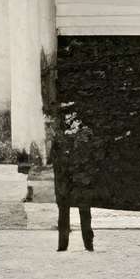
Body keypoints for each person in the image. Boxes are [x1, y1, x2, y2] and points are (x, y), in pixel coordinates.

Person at [51, 97, 98, 253]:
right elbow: (54, 157)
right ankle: (62, 245)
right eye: (65, 115)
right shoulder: (59, 136)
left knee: (84, 211)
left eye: (70, 114)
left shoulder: (86, 134)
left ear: (77, 116)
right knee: (63, 212)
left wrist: (87, 175)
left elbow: (93, 157)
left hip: (81, 179)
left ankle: (88, 243)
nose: (67, 118)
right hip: (64, 180)